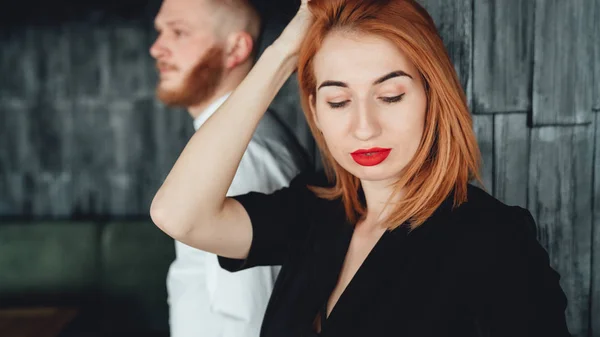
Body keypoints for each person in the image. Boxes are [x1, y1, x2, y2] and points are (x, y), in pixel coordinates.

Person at [150, 0, 572, 336]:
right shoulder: (312, 212)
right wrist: (282, 53)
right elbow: (178, 215)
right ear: (315, 110)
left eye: (390, 96)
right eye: (338, 101)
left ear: (432, 96)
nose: (364, 127)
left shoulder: (492, 240)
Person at [149, 0, 309, 336]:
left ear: (235, 47)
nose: (156, 48)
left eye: (178, 32)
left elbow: (252, 318)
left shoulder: (242, 155)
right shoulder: (231, 146)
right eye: (160, 32)